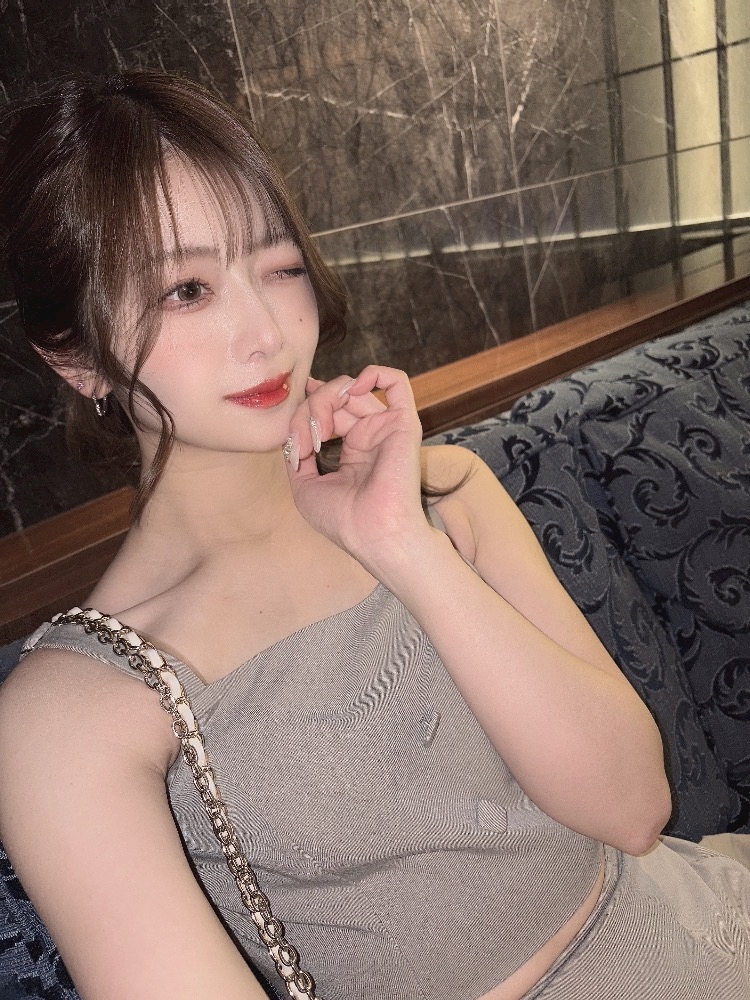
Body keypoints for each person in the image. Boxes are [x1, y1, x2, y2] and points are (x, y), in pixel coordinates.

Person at [0, 71, 747, 1000]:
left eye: (280, 268)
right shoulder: (72, 711)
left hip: (695, 933)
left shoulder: (443, 492)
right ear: (74, 357)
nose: (266, 332)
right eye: (187, 289)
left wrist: (402, 545)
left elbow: (633, 809)